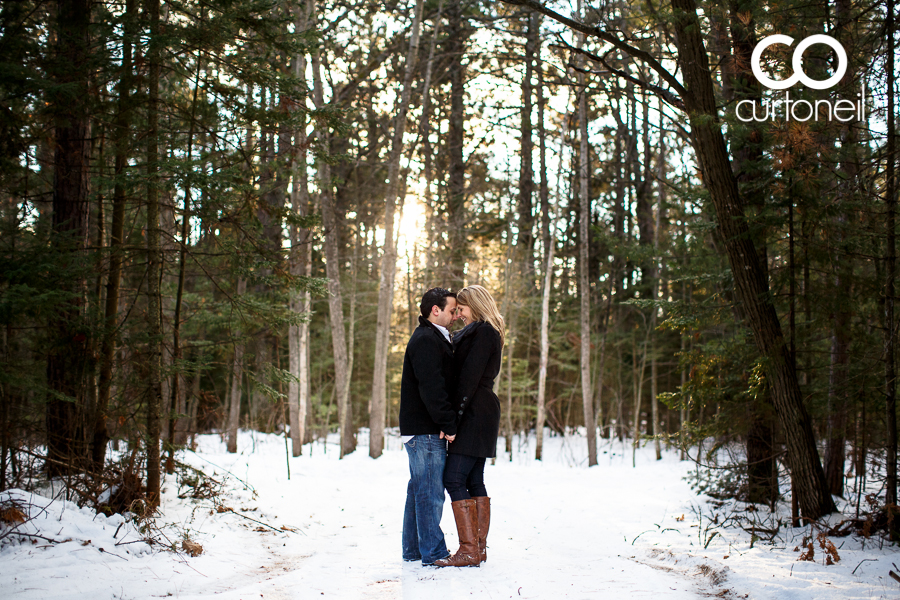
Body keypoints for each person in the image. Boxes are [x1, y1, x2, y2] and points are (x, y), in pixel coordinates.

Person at [435, 284, 504, 568]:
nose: (459, 314)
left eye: (461, 309)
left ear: (474, 305)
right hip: (479, 410)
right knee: (473, 479)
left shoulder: (484, 332)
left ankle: (469, 549)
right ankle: (477, 549)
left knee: (454, 478)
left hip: (476, 411)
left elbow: (469, 379)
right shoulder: (480, 332)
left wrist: (453, 420)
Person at [399, 287, 460, 566]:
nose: (455, 315)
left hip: (421, 428)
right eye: (451, 310)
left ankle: (413, 550)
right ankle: (434, 553)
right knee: (430, 493)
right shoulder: (426, 339)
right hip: (425, 430)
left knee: (419, 490)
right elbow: (432, 387)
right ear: (435, 310)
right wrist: (448, 423)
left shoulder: (431, 337)